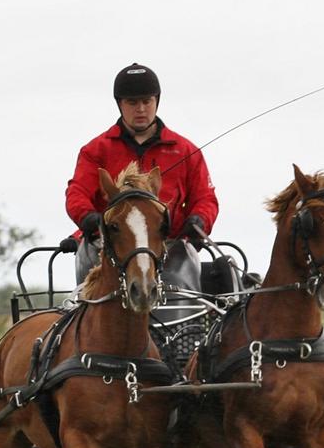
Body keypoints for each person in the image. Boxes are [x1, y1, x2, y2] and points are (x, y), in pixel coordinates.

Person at [65, 62, 219, 289]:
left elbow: (205, 198)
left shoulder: (186, 150)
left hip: (169, 244)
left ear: (157, 101)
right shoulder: (95, 150)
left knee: (181, 277)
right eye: (132, 102)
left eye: (147, 101)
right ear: (120, 104)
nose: (141, 109)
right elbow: (77, 193)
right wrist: (88, 218)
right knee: (87, 273)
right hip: (108, 244)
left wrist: (200, 219)